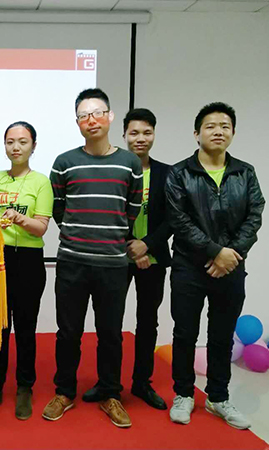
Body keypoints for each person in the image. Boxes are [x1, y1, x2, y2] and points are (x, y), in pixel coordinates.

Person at [42, 88, 142, 428]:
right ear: (77, 122)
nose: (92, 120)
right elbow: (58, 208)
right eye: (84, 115)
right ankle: (64, 392)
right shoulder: (64, 162)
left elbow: (132, 209)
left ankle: (110, 394)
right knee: (67, 332)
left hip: (113, 264)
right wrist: (78, 233)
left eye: (98, 112)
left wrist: (110, 235)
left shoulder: (130, 163)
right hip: (72, 261)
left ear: (110, 116)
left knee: (110, 333)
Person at [166, 102, 264, 429]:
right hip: (188, 267)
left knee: (222, 335)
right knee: (185, 332)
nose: (218, 131)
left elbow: (254, 216)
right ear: (196, 134)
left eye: (225, 126)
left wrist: (230, 254)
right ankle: (183, 393)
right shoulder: (179, 173)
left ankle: (218, 397)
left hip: (231, 267)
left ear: (233, 133)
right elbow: (179, 220)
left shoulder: (245, 172)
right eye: (210, 126)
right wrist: (214, 252)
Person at [0, 122, 53, 420]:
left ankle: (24, 387)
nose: (16, 147)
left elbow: (41, 228)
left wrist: (20, 219)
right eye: (10, 142)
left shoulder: (41, 182)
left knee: (25, 326)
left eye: (23, 141)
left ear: (33, 146)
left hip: (27, 261)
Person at [122, 108, 172, 410]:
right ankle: (109, 384)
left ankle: (142, 383)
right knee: (110, 323)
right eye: (134, 133)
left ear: (153, 135)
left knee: (148, 323)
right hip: (118, 257)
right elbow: (108, 214)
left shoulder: (168, 173)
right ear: (124, 135)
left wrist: (147, 246)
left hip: (154, 260)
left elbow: (173, 218)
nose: (140, 138)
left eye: (146, 132)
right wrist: (131, 246)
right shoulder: (116, 170)